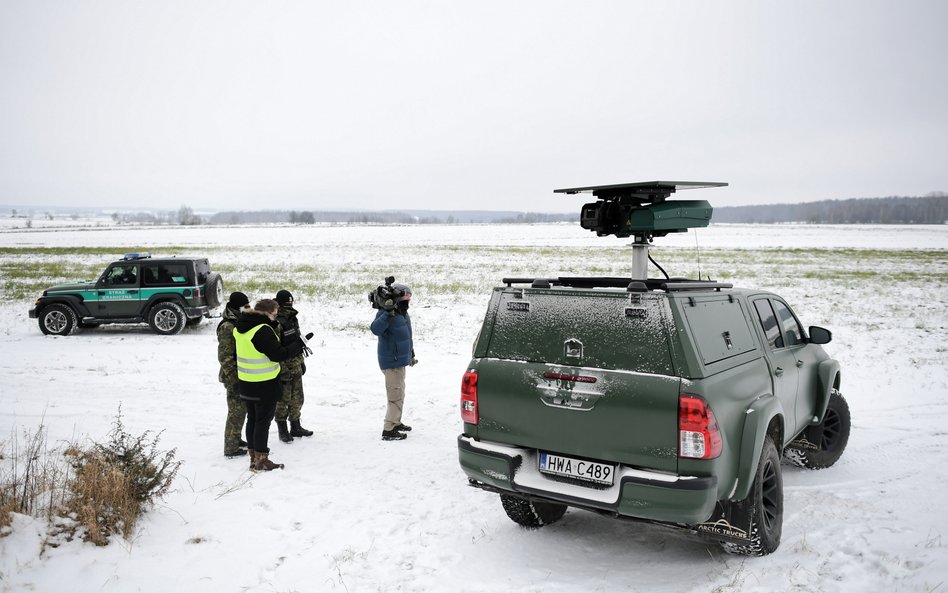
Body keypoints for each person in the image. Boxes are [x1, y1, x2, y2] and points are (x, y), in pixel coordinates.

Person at [234, 298, 305, 471]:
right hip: (264, 384)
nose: (275, 318)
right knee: (263, 422)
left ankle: (253, 456)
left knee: (252, 419)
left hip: (246, 381)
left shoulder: (241, 327)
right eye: (274, 314)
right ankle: (261, 460)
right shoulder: (262, 330)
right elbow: (278, 354)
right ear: (265, 313)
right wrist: (299, 344)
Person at [370, 283, 416, 441]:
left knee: (400, 393)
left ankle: (396, 422)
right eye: (404, 300)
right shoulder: (387, 313)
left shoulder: (402, 313)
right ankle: (388, 430)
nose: (407, 303)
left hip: (400, 360)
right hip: (391, 361)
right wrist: (387, 314)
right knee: (394, 396)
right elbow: (375, 329)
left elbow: (407, 335)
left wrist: (411, 352)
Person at [273, 289, 314, 442]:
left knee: (297, 398)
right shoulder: (277, 321)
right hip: (284, 367)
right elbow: (274, 350)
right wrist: (282, 369)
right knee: (283, 400)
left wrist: (301, 362)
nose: (291, 306)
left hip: (296, 363)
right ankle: (282, 429)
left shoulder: (292, 318)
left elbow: (297, 342)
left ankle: (296, 426)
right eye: (288, 304)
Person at [218, 291, 252, 458]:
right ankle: (230, 447)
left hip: (241, 374)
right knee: (236, 412)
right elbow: (225, 357)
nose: (249, 308)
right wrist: (234, 378)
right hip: (234, 376)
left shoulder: (238, 321)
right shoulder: (227, 327)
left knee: (241, 410)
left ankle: (236, 439)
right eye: (246, 306)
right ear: (238, 307)